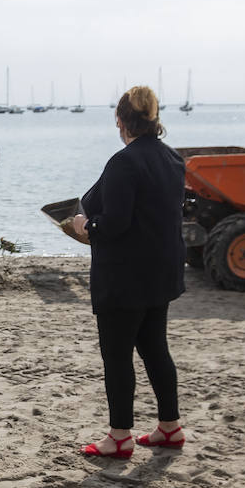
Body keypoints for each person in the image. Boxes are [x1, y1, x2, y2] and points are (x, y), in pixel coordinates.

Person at [68, 86, 185, 458]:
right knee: (156, 350)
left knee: (117, 357)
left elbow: (114, 223)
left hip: (124, 277)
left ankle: (119, 436)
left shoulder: (124, 162)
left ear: (120, 121)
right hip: (161, 273)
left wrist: (84, 227)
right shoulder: (173, 159)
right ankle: (170, 426)